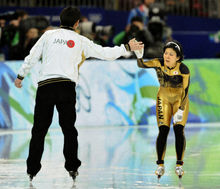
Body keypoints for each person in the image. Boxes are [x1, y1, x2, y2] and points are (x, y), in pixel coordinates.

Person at [14, 6, 144, 182]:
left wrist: (21, 75)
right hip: (66, 87)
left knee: (39, 130)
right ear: (77, 23)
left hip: (46, 86)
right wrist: (127, 46)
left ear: (60, 20)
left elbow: (32, 57)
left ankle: (32, 169)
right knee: (69, 130)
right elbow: (105, 54)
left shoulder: (47, 35)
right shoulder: (81, 40)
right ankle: (72, 167)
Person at [134, 40, 190, 179]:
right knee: (163, 130)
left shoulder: (183, 69)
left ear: (178, 57)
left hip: (179, 100)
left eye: (171, 54)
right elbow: (141, 64)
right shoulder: (158, 63)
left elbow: (186, 90)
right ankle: (160, 165)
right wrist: (139, 55)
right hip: (163, 98)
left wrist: (181, 109)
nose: (167, 56)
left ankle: (179, 165)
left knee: (178, 130)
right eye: (166, 53)